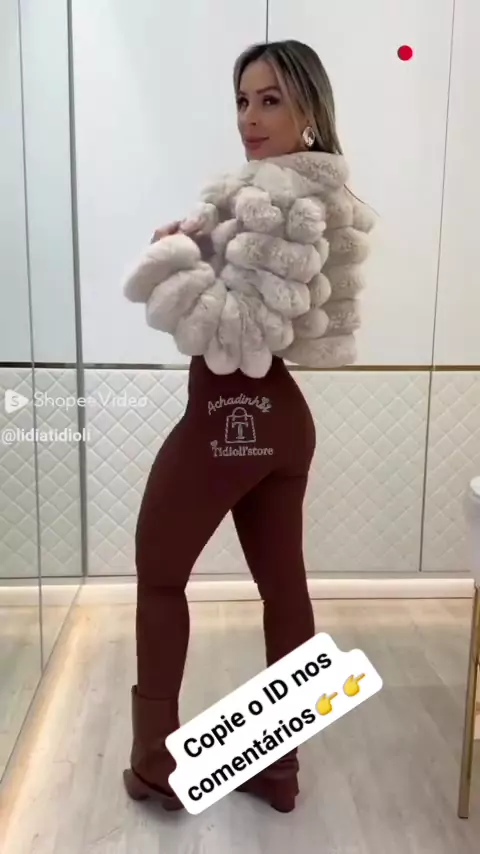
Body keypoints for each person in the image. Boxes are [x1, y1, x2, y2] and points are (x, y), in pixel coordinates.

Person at [122, 39, 375, 814]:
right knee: (282, 586)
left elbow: (239, 330)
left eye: (271, 100)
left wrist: (176, 262)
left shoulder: (280, 199)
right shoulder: (296, 191)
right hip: (277, 423)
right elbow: (274, 307)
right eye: (242, 99)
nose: (250, 118)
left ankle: (155, 763)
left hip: (231, 416)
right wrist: (202, 244)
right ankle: (280, 767)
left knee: (159, 573)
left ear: (308, 111)